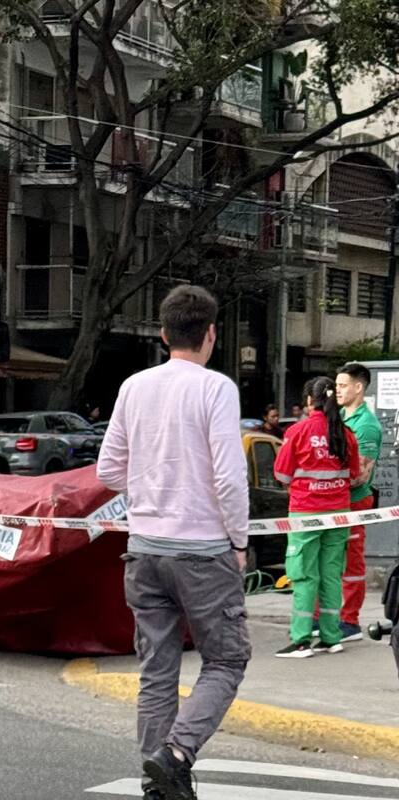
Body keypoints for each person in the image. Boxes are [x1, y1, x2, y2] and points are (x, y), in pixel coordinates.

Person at [97, 285, 251, 800]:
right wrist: (239, 539)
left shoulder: (134, 387)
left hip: (143, 548)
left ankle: (156, 783)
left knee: (156, 669)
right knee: (226, 660)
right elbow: (230, 478)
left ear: (163, 334)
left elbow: (108, 469)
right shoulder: (216, 389)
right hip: (204, 549)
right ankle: (177, 754)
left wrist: (151, 488)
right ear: (210, 334)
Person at [273, 376, 361, 658]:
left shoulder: (298, 432)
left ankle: (300, 639)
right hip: (339, 514)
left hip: (306, 513)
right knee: (331, 575)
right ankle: (331, 637)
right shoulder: (345, 433)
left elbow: (281, 474)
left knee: (303, 575)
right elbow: (354, 474)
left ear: (310, 401)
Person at [334, 363, 382, 642]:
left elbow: (359, 475)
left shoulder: (367, 425)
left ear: (358, 387)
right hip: (333, 501)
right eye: (337, 385)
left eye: (342, 385)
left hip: (354, 502)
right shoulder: (338, 416)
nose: (337, 389)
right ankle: (326, 617)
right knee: (329, 562)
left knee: (351, 563)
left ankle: (349, 620)